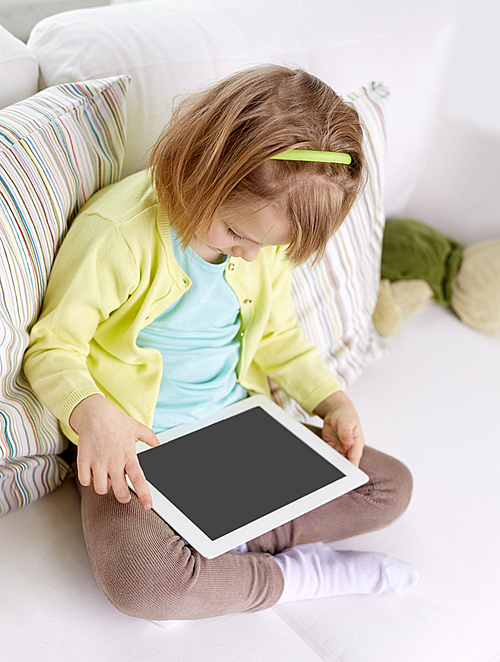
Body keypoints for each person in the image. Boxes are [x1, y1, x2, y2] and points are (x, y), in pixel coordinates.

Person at [23, 64, 418, 623]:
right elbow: (53, 346)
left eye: (267, 246)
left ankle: (218, 545)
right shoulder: (118, 233)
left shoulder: (258, 244)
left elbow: (278, 335)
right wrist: (92, 415)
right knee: (147, 585)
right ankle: (296, 574)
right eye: (238, 234)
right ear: (201, 167)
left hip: (236, 435)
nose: (251, 256)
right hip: (138, 453)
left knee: (388, 487)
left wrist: (329, 401)